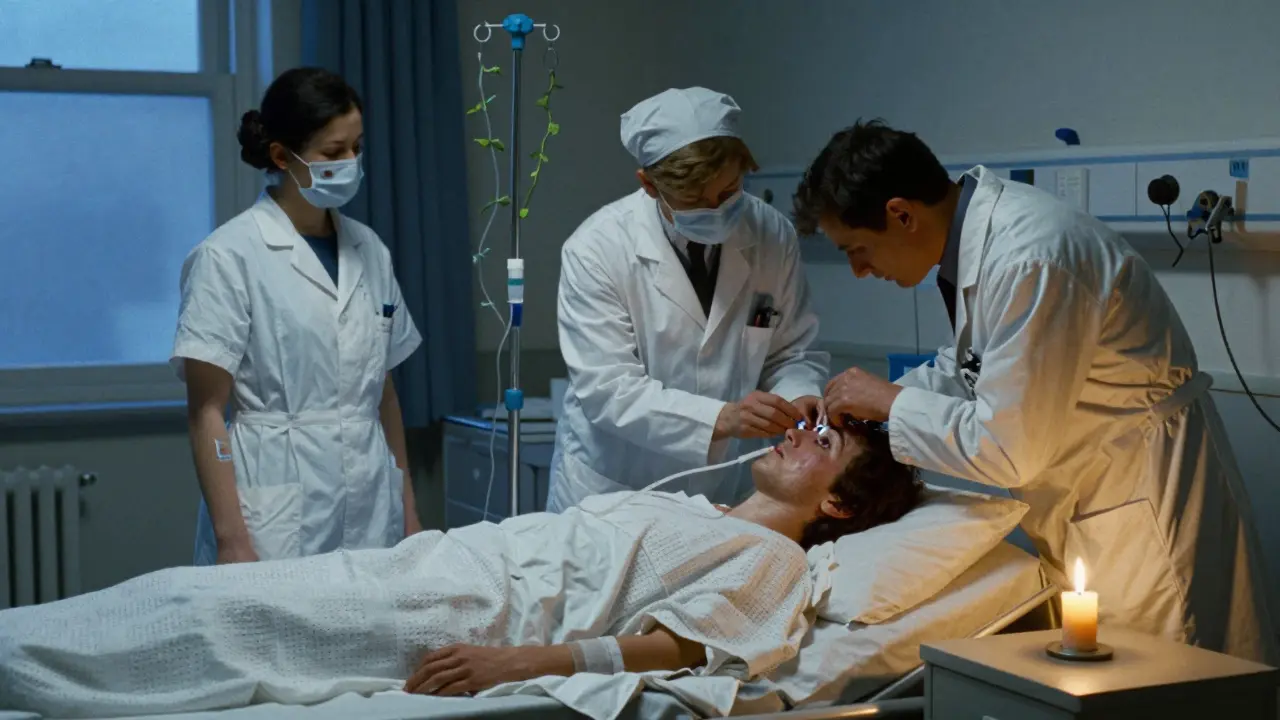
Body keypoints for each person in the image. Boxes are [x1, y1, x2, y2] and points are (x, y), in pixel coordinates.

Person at [0, 424, 922, 716]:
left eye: (823, 442)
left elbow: (684, 649)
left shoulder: (774, 562)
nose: (798, 431)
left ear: (837, 506)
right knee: (188, 594)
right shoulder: (695, 510)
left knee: (207, 620)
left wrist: (517, 664)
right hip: (443, 563)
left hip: (473, 609)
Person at [792, 119, 1276, 663]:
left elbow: (1007, 450)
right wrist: (870, 402)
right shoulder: (982, 242)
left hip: (1142, 503)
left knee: (1171, 676)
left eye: (856, 249)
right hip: (1094, 489)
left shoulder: (1033, 257)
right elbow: (974, 364)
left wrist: (892, 403)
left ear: (901, 214)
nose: (857, 270)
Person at [172, 67, 423, 566]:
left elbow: (384, 394)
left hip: (373, 502)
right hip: (273, 508)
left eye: (357, 147)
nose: (350, 163)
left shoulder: (368, 249)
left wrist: (408, 509)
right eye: (333, 153)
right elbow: (206, 412)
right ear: (282, 156)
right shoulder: (229, 255)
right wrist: (232, 539)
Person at [547, 87, 831, 512]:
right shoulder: (597, 249)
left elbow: (788, 350)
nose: (716, 209)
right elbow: (608, 389)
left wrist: (798, 393)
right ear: (648, 184)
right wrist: (721, 419)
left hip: (721, 491)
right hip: (616, 490)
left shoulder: (771, 233)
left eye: (730, 190)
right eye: (695, 200)